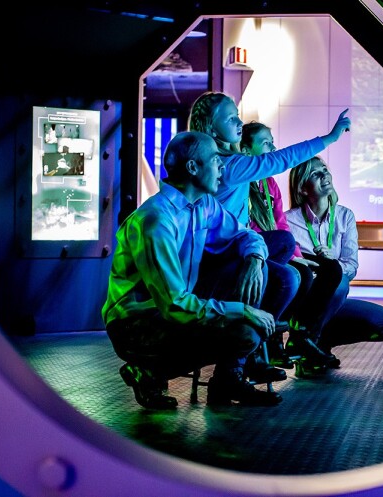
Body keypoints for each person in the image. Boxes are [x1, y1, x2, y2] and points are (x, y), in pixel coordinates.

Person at [102, 131, 282, 410]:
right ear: (192, 167)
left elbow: (246, 235)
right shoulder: (155, 221)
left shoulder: (204, 204)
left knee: (256, 270)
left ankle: (226, 379)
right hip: (135, 326)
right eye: (215, 159)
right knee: (244, 333)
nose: (222, 166)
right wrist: (244, 311)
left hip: (173, 309)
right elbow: (174, 305)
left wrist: (254, 261)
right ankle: (148, 370)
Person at [187, 91, 351, 371]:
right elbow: (281, 160)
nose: (238, 122)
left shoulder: (231, 164)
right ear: (212, 128)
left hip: (233, 247)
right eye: (231, 118)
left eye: (237, 115)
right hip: (221, 256)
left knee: (289, 267)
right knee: (287, 254)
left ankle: (260, 349)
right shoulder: (230, 165)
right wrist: (329, 138)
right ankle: (251, 353)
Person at [240, 122, 342, 373]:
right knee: (302, 275)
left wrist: (296, 256)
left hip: (277, 247)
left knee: (330, 268)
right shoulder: (240, 183)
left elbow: (280, 223)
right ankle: (273, 341)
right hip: (253, 250)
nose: (273, 147)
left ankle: (300, 337)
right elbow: (246, 228)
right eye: (266, 142)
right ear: (245, 150)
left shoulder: (269, 183)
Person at [285, 156, 383, 366]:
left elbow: (351, 266)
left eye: (324, 169)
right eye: (315, 173)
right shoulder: (287, 221)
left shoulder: (345, 216)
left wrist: (333, 264)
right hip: (304, 304)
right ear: (302, 189)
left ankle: (312, 341)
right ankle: (307, 339)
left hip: (333, 301)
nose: (324, 175)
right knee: (338, 281)